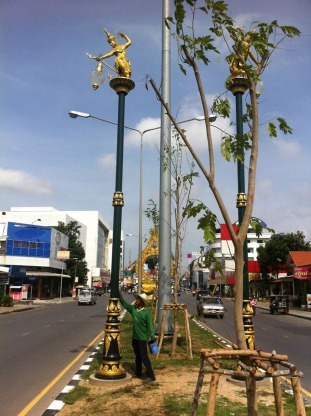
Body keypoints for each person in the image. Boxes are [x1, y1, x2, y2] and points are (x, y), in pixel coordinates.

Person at [119, 292, 156, 382]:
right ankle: (138, 372)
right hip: (135, 338)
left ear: (142, 302)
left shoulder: (146, 313)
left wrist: (152, 338)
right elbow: (125, 304)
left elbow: (150, 326)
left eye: (138, 299)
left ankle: (151, 376)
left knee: (144, 357)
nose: (136, 300)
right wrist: (120, 295)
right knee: (137, 356)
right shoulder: (133, 309)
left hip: (142, 339)